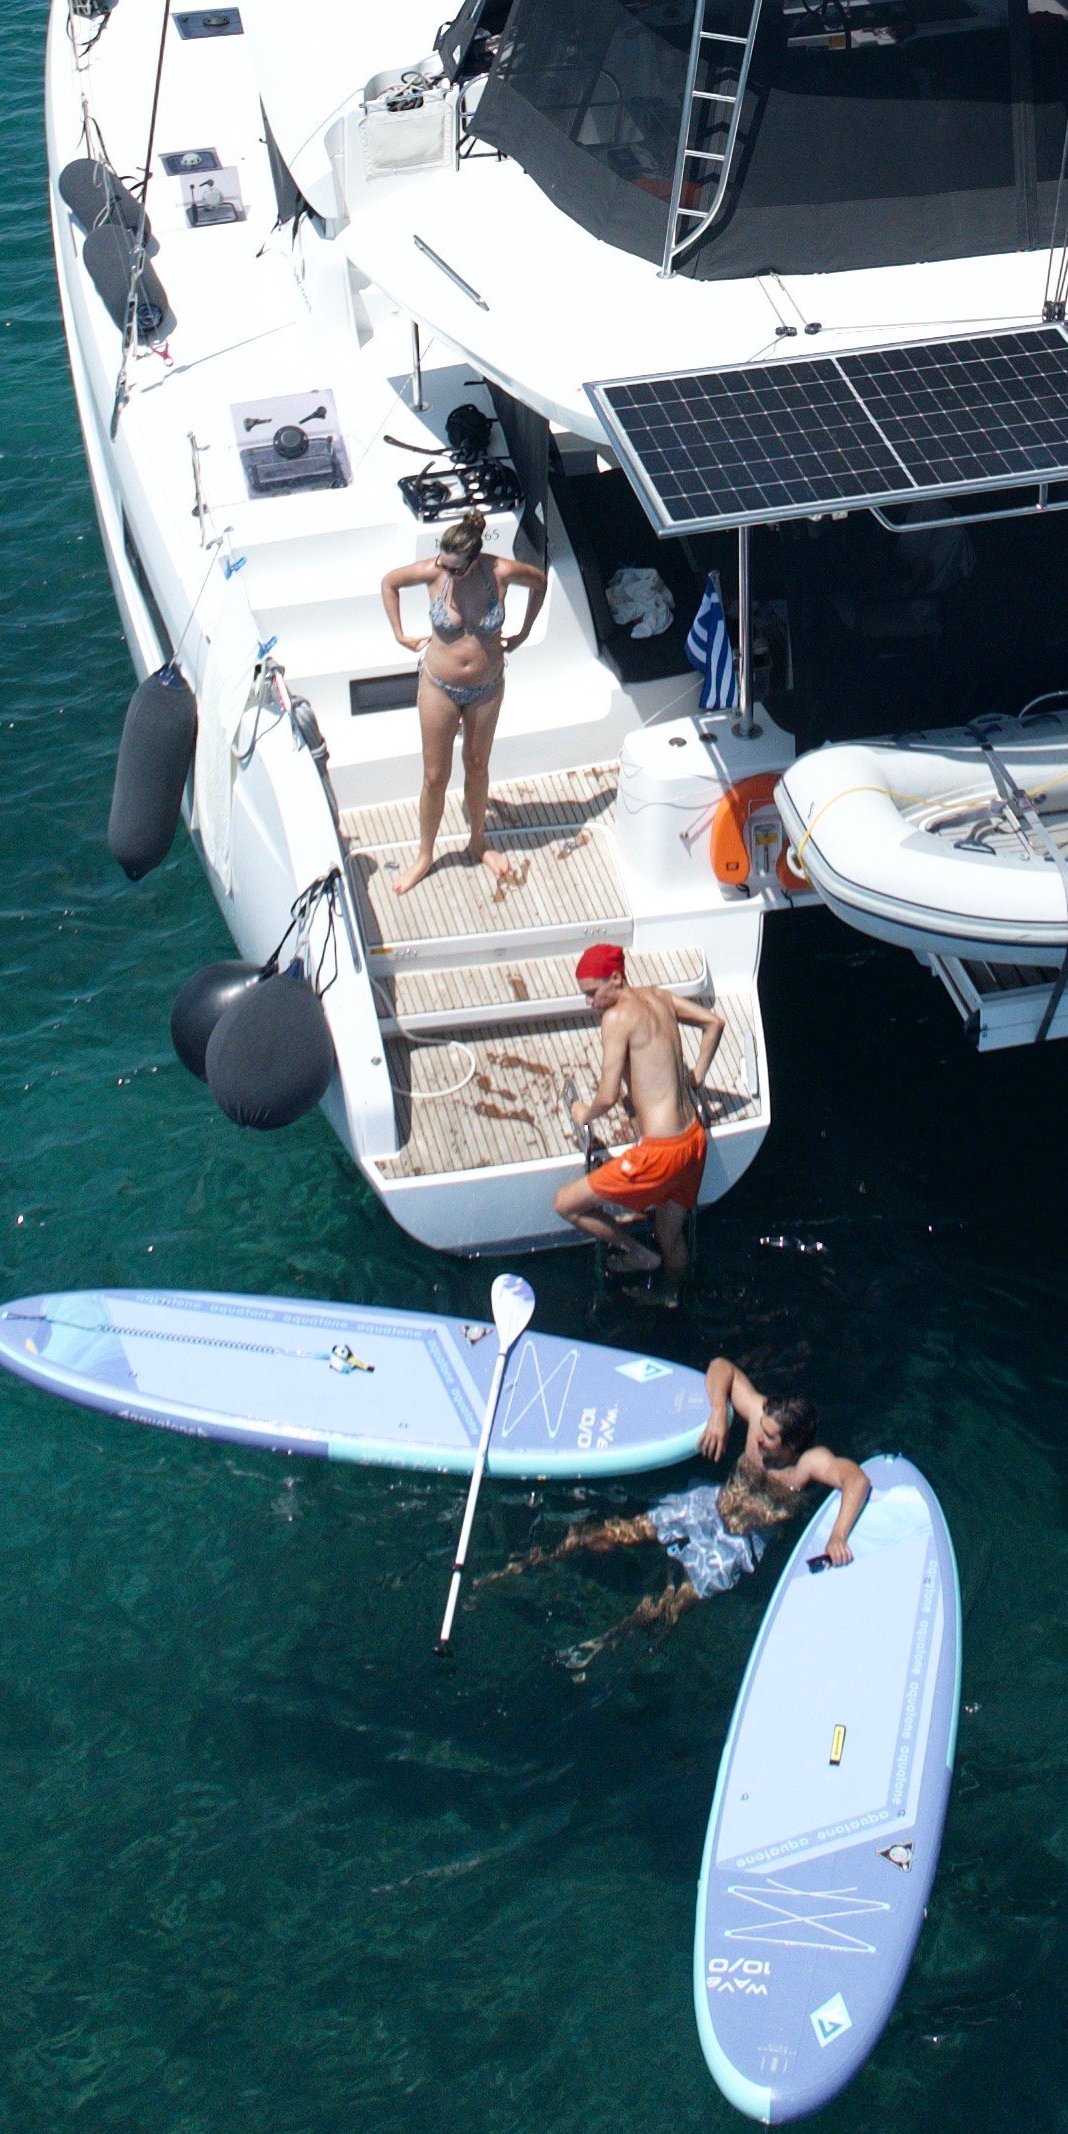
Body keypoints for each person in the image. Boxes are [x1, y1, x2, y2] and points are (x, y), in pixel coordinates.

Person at [504, 1356, 864, 1668]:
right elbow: (722, 1367)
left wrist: (838, 1535)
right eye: (762, 1429)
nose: (757, 1438)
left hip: (738, 1543)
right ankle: (524, 1565)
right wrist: (718, 1415)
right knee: (611, 1532)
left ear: (792, 1444)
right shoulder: (759, 1416)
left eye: (769, 1438)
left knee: (671, 1605)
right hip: (708, 1504)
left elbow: (855, 1481)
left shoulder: (808, 1464)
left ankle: (601, 1646)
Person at [380, 505, 552, 893]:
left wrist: (524, 631)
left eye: (456, 568)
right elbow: (389, 583)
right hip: (439, 685)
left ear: (475, 560)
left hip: (487, 686)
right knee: (435, 776)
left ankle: (478, 842)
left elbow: (539, 581)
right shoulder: (433, 571)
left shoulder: (501, 572)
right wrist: (400, 634)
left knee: (477, 764)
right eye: (444, 563)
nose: (447, 572)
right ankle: (425, 855)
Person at [552, 939, 721, 1293]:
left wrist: (585, 1112)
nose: (589, 1002)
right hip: (693, 1141)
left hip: (661, 1152)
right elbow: (714, 1023)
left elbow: (608, 1096)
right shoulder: (658, 996)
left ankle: (637, 1253)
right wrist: (697, 1076)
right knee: (668, 1235)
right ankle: (672, 1295)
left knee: (565, 1205)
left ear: (615, 978)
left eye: (592, 992)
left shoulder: (617, 1017)